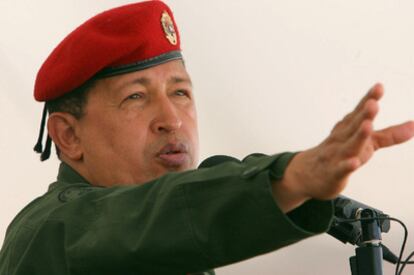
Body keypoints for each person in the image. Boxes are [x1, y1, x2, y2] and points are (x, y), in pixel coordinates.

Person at [1, 1, 413, 274]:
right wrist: (292, 179)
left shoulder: (177, 234)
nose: (172, 120)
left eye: (180, 92)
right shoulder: (53, 231)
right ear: (69, 136)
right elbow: (146, 217)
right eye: (136, 97)